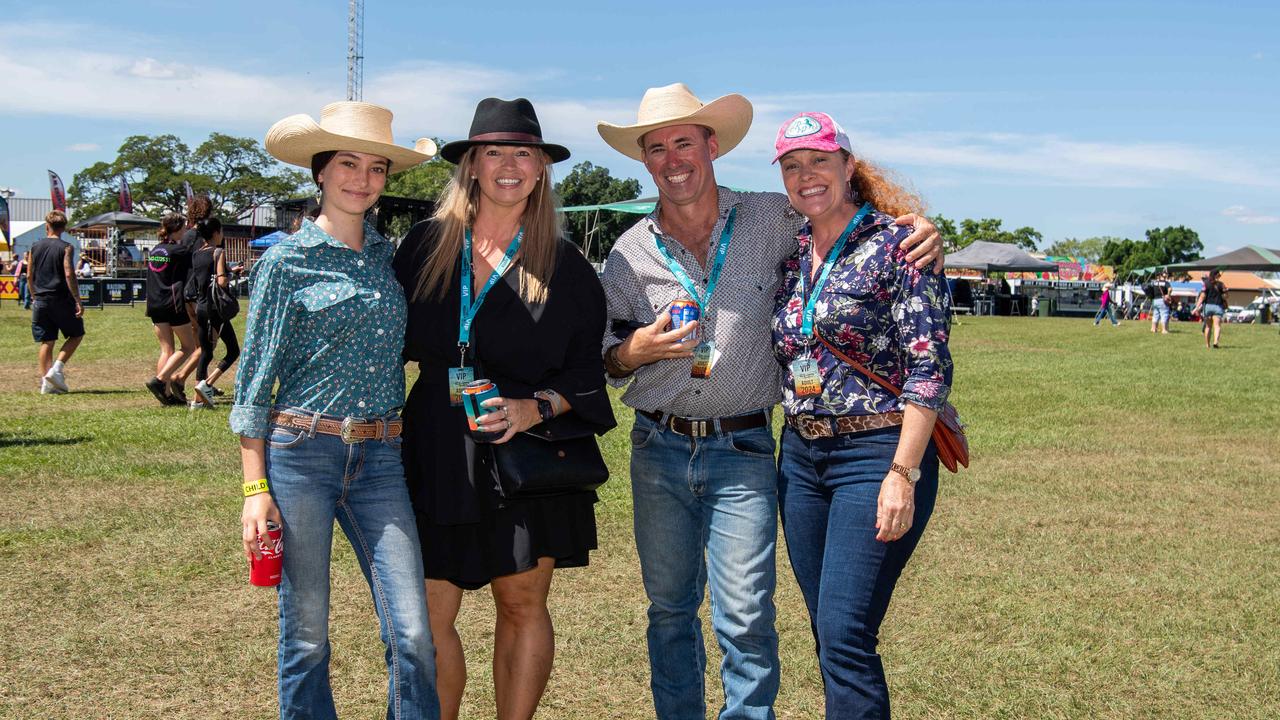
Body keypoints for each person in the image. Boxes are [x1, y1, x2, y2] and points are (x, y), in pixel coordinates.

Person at [596, 84, 942, 720]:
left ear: (712, 146)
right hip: (659, 446)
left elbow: (845, 214)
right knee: (670, 610)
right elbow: (602, 357)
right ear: (644, 161)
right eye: (657, 148)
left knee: (749, 615)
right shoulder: (626, 252)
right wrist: (634, 351)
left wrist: (916, 226)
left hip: (746, 446)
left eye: (684, 142)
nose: (673, 158)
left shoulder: (770, 217)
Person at [394, 97, 615, 720]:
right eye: (493, 151)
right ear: (470, 165)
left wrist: (533, 407)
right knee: (427, 613)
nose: (510, 164)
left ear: (542, 168)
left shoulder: (566, 266)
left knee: (521, 606)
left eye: (524, 152)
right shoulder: (423, 247)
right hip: (435, 444)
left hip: (526, 453)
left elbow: (585, 370)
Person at [234, 100, 441, 720]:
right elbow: (254, 384)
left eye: (376, 167)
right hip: (302, 453)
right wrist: (254, 489)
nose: (362, 178)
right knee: (307, 634)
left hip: (381, 458)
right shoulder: (284, 262)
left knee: (413, 634)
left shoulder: (390, 260)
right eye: (347, 163)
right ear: (320, 172)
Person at [769, 112, 953, 719]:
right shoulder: (791, 250)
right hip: (800, 457)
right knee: (830, 634)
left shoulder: (897, 245)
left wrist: (902, 473)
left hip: (875, 455)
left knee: (847, 636)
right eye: (792, 165)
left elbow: (929, 367)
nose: (806, 175)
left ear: (849, 167)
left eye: (820, 160)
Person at [143, 212, 199, 405]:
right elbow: (196, 262)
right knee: (189, 346)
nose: (185, 231)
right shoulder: (179, 251)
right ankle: (160, 381)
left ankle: (165, 394)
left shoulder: (156, 250)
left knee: (166, 349)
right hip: (172, 303)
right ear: (176, 229)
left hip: (154, 303)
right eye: (183, 228)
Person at [28, 211, 85, 394]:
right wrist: (77, 299)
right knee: (76, 334)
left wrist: (33, 295)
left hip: (41, 299)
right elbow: (69, 273)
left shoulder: (35, 247)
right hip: (61, 299)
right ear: (64, 228)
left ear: (47, 226)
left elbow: (29, 274)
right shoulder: (66, 247)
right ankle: (57, 369)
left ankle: (46, 382)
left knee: (47, 340)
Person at [185, 217, 240, 407]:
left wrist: (228, 270)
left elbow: (204, 276)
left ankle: (197, 400)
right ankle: (206, 384)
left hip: (201, 307)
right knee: (233, 350)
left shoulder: (197, 254)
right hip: (216, 308)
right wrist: (230, 274)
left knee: (205, 352)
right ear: (216, 232)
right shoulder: (218, 252)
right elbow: (221, 282)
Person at [1194, 268, 1227, 349]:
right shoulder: (1221, 284)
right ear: (1216, 275)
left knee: (1208, 327)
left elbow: (1202, 296)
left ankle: (1207, 345)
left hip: (1208, 307)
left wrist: (1196, 307)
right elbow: (1226, 296)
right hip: (1218, 306)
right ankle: (1215, 342)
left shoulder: (1206, 284)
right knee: (1217, 326)